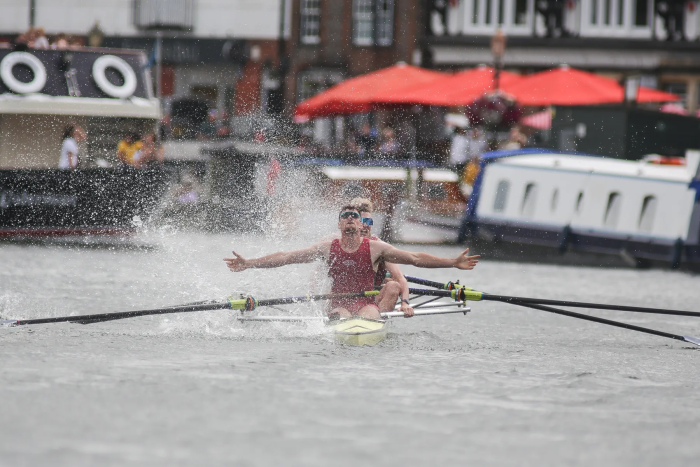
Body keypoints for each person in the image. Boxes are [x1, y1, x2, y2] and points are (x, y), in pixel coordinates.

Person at [224, 205, 480, 320]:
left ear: (360, 224)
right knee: (341, 316)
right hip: (338, 303)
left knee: (369, 315)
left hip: (366, 301)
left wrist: (451, 262)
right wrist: (250, 263)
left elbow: (414, 258)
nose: (349, 219)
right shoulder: (326, 248)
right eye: (344, 217)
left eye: (354, 217)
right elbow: (286, 257)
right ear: (339, 224)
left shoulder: (376, 248)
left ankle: (370, 323)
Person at [351, 197, 414, 317]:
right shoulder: (339, 245)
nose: (365, 226)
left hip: (373, 300)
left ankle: (375, 322)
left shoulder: (381, 248)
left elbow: (400, 279)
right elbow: (317, 275)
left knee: (393, 285)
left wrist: (405, 303)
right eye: (361, 221)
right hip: (346, 299)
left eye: (368, 222)